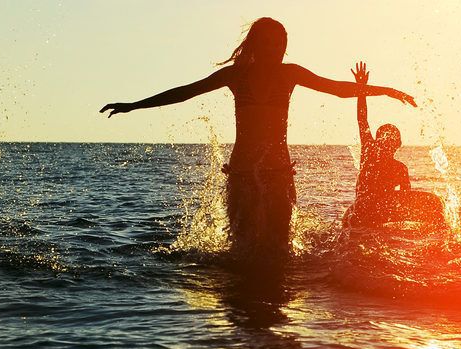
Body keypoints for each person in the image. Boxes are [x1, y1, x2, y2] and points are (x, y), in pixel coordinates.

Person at [100, 18, 417, 262]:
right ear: (256, 45)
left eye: (282, 43)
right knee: (241, 250)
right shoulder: (236, 76)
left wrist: (387, 90)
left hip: (279, 174)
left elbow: (338, 88)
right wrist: (133, 105)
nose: (277, 49)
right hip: (241, 174)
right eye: (271, 43)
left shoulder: (290, 74)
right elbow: (187, 92)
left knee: (279, 252)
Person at [343, 62, 444, 232]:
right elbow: (362, 119)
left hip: (380, 212)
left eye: (390, 141)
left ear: (397, 145)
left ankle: (439, 234)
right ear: (376, 141)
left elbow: (406, 198)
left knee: (435, 202)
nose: (386, 145)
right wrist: (361, 89)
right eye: (384, 140)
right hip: (361, 211)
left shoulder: (399, 169)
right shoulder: (369, 151)